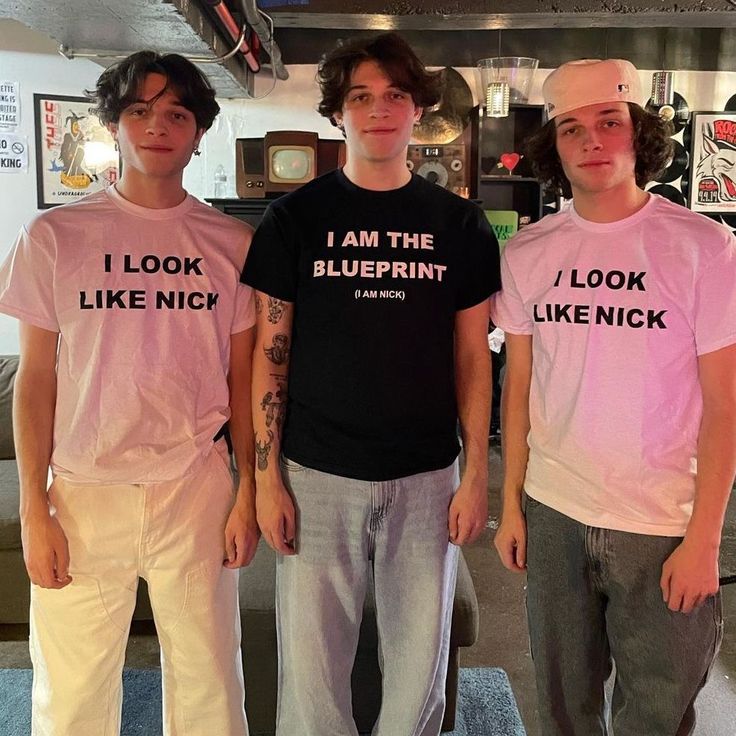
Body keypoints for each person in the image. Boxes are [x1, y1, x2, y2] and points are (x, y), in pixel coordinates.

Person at [241, 31, 500, 736]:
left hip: (426, 478)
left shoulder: (461, 225)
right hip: (317, 473)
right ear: (338, 114)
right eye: (361, 96)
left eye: (394, 95)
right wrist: (266, 481)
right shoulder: (294, 219)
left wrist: (476, 474)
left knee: (418, 677)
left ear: (418, 109)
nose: (378, 110)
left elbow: (475, 357)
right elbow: (270, 353)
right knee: (312, 678)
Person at [0, 51, 257, 735]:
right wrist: (34, 508)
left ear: (199, 132)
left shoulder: (232, 243)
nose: (157, 126)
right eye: (140, 110)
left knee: (211, 683)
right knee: (72, 695)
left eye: (176, 113)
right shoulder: (54, 237)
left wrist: (247, 492)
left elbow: (244, 382)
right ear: (113, 122)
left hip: (194, 485)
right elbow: (37, 378)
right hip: (84, 489)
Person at [491, 58, 736, 735]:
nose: (592, 141)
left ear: (642, 136)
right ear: (553, 146)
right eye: (571, 129)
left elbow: (727, 405)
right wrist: (510, 506)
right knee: (562, 709)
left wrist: (705, 540)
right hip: (555, 510)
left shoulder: (705, 248)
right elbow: (518, 389)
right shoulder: (529, 253)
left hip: (661, 523)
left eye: (609, 123)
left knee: (656, 713)